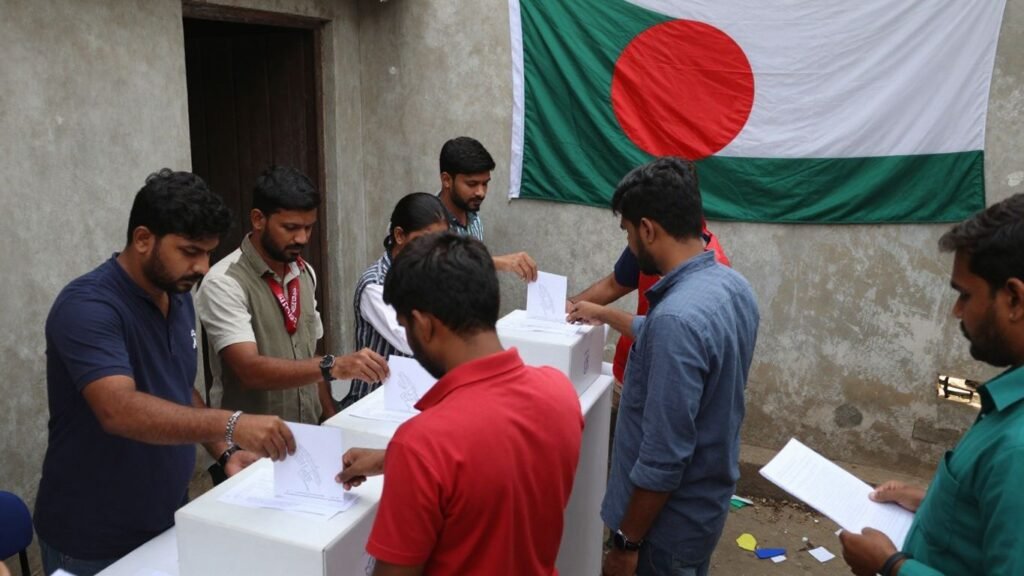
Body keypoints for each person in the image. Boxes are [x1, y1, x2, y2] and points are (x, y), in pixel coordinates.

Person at [34, 169, 297, 576]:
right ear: (143, 239)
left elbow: (177, 388)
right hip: (92, 541)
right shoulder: (87, 308)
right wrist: (233, 423)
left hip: (165, 519)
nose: (202, 266)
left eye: (208, 252)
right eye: (190, 251)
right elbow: (118, 410)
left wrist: (224, 450)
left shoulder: (176, 297)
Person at [336, 233, 584, 575]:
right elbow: (497, 453)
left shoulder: (422, 444)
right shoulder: (560, 392)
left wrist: (410, 459)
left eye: (405, 325)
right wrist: (390, 459)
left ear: (424, 326)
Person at [840, 193, 1024, 576]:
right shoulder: (1009, 398)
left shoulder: (1018, 448)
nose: (957, 310)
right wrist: (934, 504)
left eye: (965, 294)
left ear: (1014, 299)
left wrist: (890, 565)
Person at [600, 158, 759, 576]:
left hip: (661, 531)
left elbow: (664, 457)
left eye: (629, 233)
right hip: (703, 510)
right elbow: (673, 338)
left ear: (648, 229)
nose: (631, 246)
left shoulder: (676, 320)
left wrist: (626, 542)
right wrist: (603, 314)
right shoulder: (733, 288)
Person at [197, 166, 389, 431]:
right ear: (258, 219)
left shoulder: (304, 272)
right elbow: (248, 370)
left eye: (309, 227)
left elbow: (311, 354)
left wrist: (330, 420)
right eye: (290, 227)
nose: (302, 238)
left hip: (306, 437)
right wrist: (333, 366)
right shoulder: (224, 282)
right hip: (249, 449)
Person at [343, 193, 449, 407]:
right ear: (399, 235)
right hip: (376, 401)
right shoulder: (374, 285)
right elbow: (412, 341)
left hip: (418, 393)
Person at [437, 136, 539, 282]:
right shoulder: (425, 221)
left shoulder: (474, 219)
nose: (481, 192)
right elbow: (436, 269)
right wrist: (499, 263)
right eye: (472, 184)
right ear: (447, 180)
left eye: (485, 184)